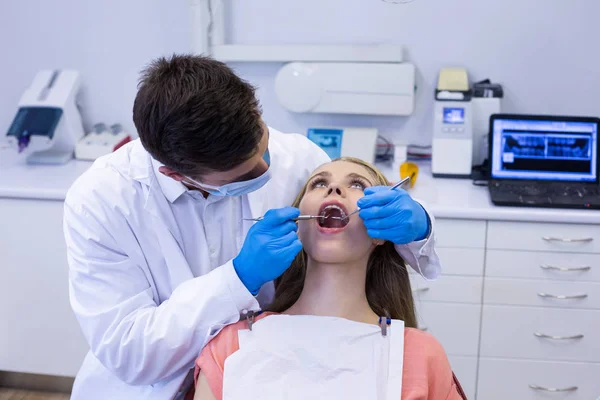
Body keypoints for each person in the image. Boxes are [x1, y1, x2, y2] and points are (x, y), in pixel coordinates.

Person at [63, 54, 441, 399]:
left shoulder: (298, 157)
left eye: (264, 147)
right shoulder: (100, 202)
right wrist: (238, 279)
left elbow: (372, 222)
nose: (267, 168)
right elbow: (130, 353)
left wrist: (418, 223)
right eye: (247, 173)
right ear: (176, 174)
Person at [192, 158, 465, 400]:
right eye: (319, 183)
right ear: (298, 226)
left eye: (357, 184)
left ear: (382, 231)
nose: (333, 189)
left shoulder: (419, 356)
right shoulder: (229, 346)